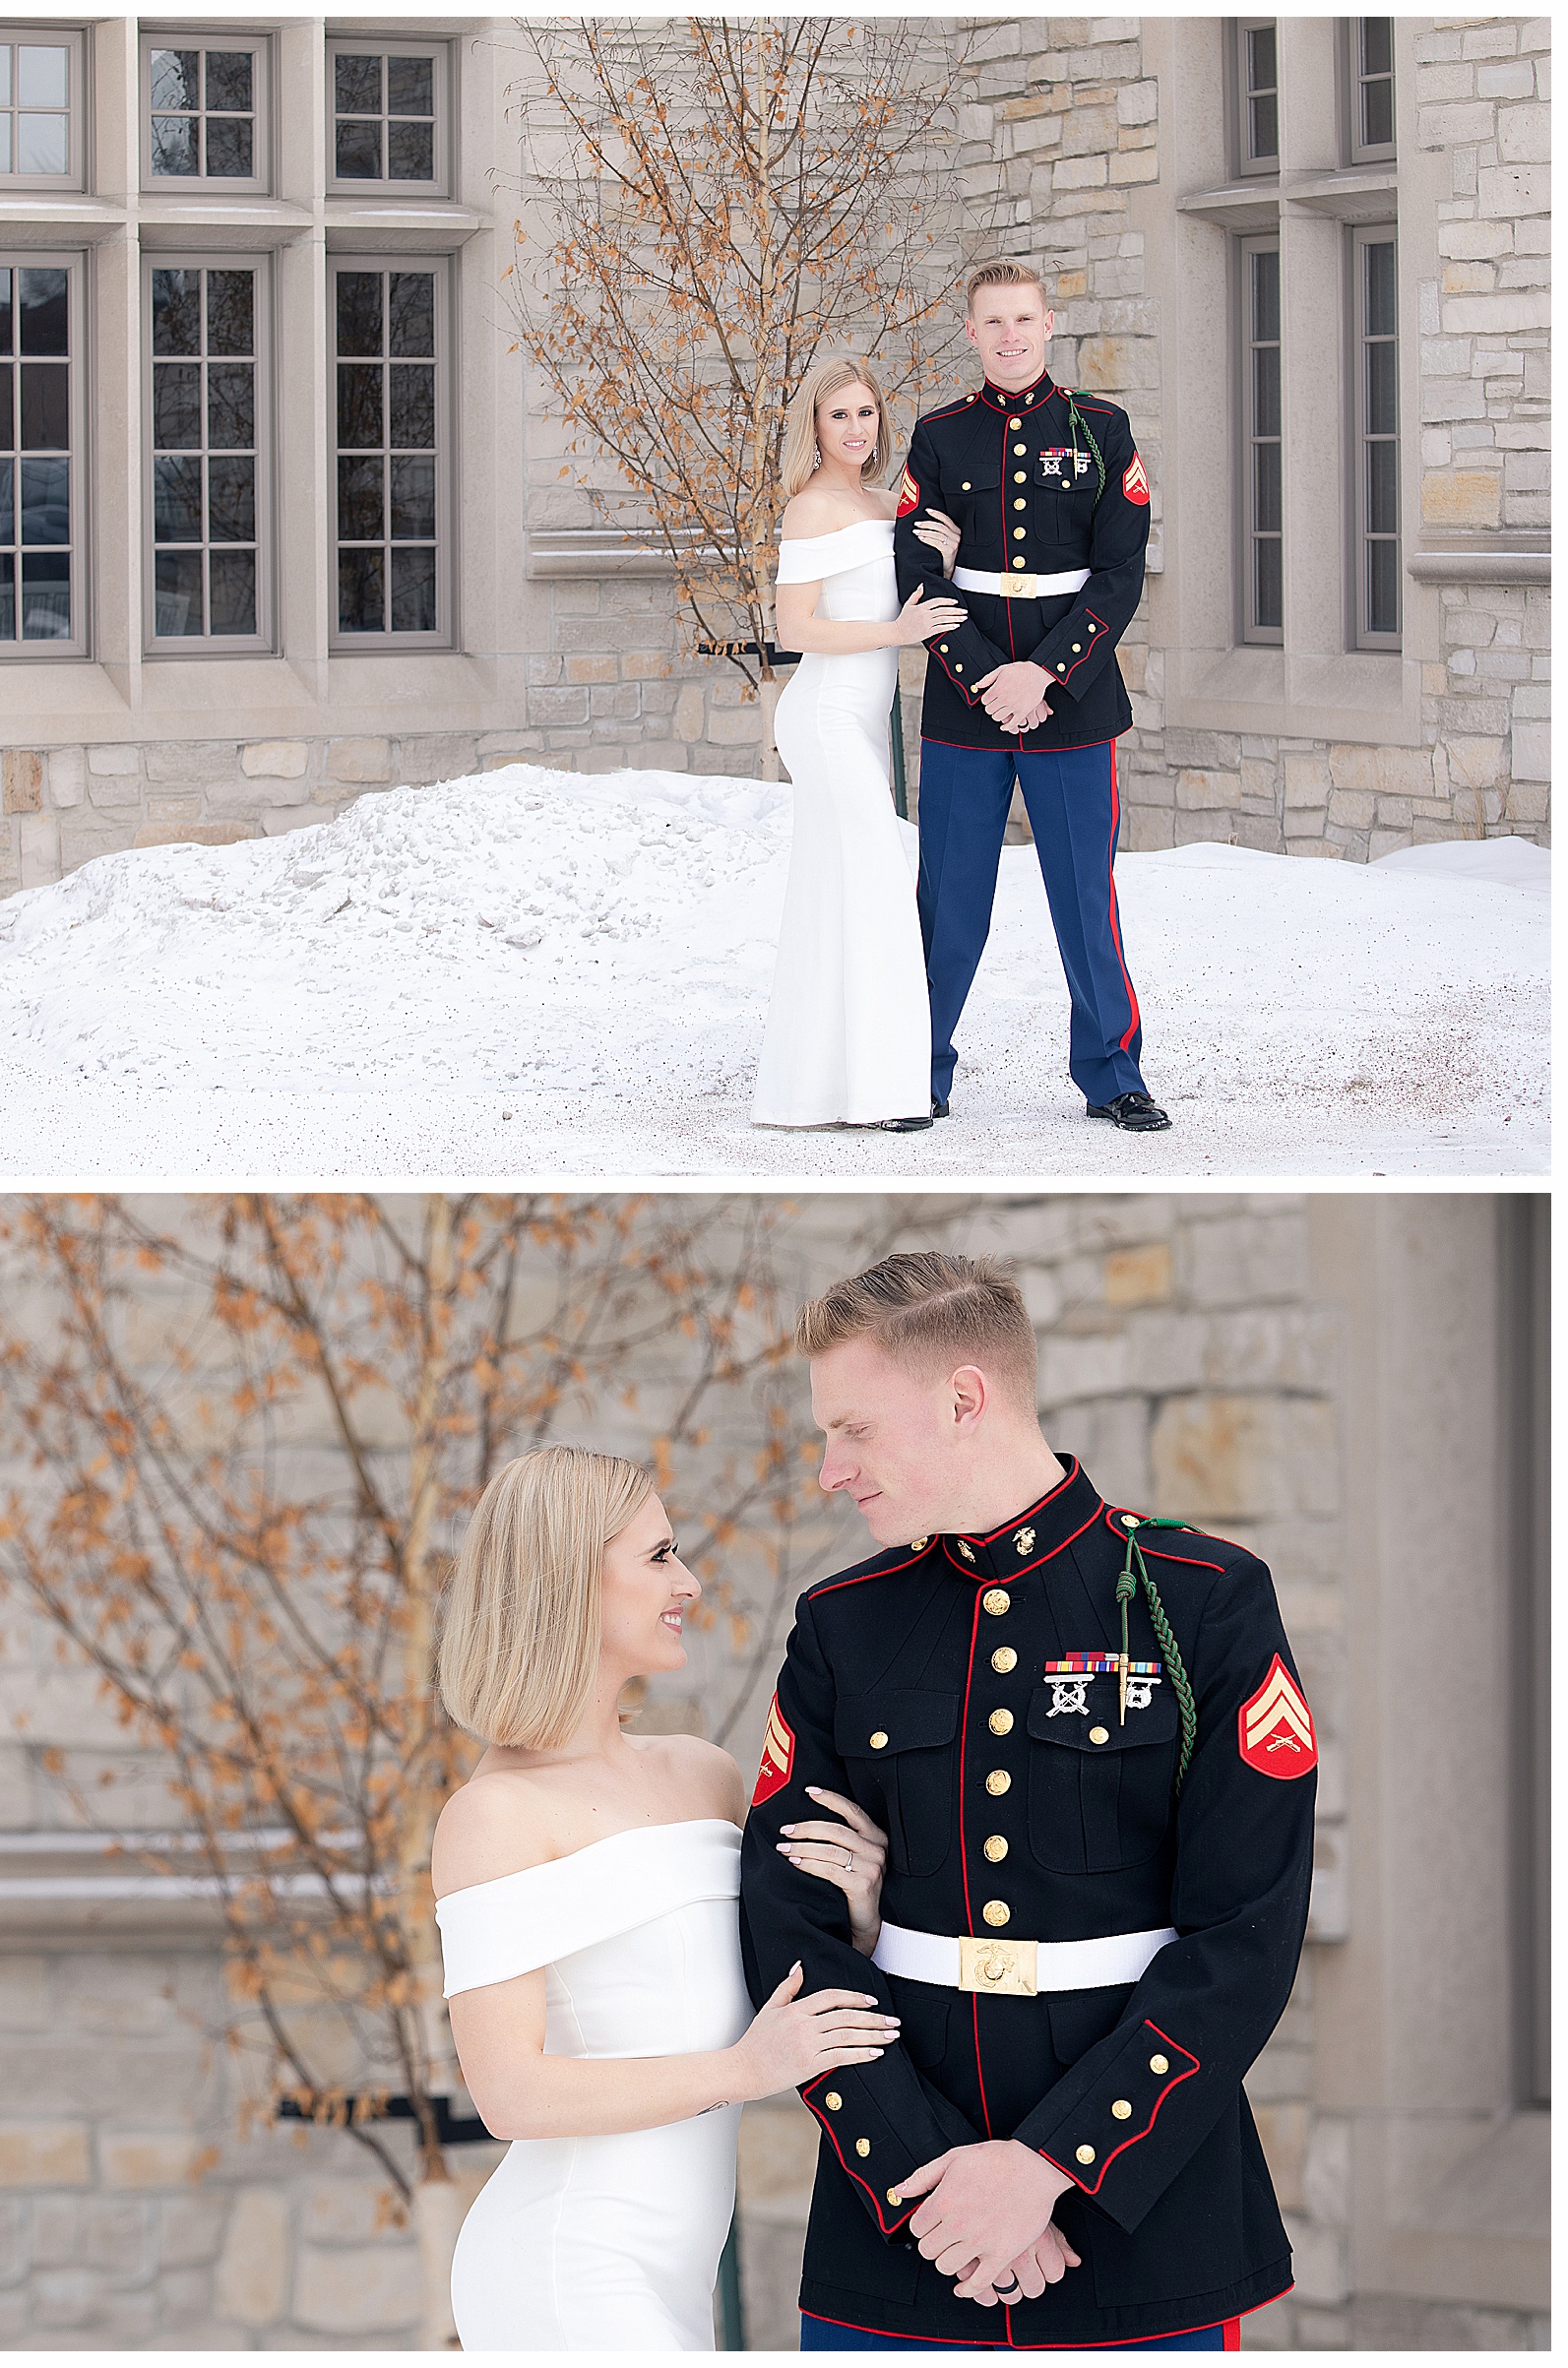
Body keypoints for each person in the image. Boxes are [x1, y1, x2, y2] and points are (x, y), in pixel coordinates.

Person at [739, 1252, 1316, 2349]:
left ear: (965, 1397)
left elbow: (1245, 1934)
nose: (827, 1469)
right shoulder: (842, 1625)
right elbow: (786, 1923)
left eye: (852, 1429)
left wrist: (1054, 2165)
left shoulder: (1199, 1602)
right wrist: (930, 2180)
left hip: (1142, 2223)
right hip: (901, 2238)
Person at [432, 1445, 901, 2350]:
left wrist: (861, 1911)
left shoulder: (708, 1775)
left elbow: (778, 1983)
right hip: (565, 2268)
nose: (686, 1580)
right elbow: (509, 2095)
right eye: (656, 1557)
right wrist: (745, 2071)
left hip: (676, 2274)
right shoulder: (492, 1817)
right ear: (568, 1582)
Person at [895, 261, 1172, 1134]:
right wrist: (987, 677)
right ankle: (917, 1069)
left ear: (1049, 324)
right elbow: (914, 570)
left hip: (1074, 702)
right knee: (947, 898)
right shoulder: (938, 437)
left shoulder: (1100, 429)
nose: (1010, 336)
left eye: (1023, 320)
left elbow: (1121, 573)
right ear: (970, 333)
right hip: (965, 704)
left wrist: (1045, 675)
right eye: (992, 323)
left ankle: (1111, 1073)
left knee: (1085, 897)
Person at [753, 357, 968, 1133]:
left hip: (864, 722)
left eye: (866, 413)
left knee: (836, 891)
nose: (855, 428)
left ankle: (813, 1091)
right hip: (824, 716)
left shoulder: (885, 502)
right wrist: (898, 632)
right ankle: (885, 1093)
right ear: (814, 424)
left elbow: (912, 592)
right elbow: (794, 628)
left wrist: (939, 565)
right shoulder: (809, 509)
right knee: (877, 879)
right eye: (838, 415)